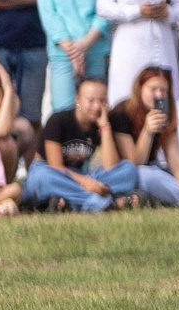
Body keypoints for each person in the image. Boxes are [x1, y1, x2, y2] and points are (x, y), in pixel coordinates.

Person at [23, 77, 144, 212]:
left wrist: (104, 126)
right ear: (78, 100)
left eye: (102, 100)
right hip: (53, 173)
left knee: (129, 169)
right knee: (42, 177)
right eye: (91, 100)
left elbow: (111, 166)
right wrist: (85, 182)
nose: (97, 106)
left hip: (80, 176)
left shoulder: (104, 123)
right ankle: (104, 203)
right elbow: (55, 165)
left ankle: (72, 204)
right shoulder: (58, 120)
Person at [112, 64, 179, 208]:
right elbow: (134, 164)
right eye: (153, 89)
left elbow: (175, 159)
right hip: (132, 176)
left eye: (163, 90)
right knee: (144, 175)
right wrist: (147, 132)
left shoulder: (165, 112)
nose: (159, 95)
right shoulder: (121, 112)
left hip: (157, 171)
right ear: (140, 88)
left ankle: (178, 195)